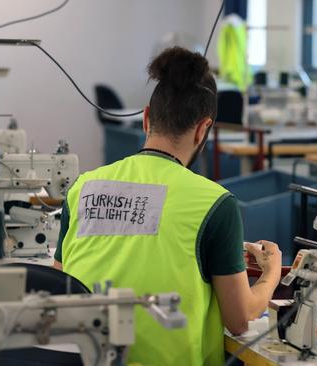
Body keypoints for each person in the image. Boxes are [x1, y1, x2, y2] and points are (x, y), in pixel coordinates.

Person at [53, 47, 282, 365]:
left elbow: (58, 289)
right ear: (203, 129)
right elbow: (240, 318)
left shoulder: (82, 188)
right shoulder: (214, 203)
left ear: (146, 118)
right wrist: (270, 273)